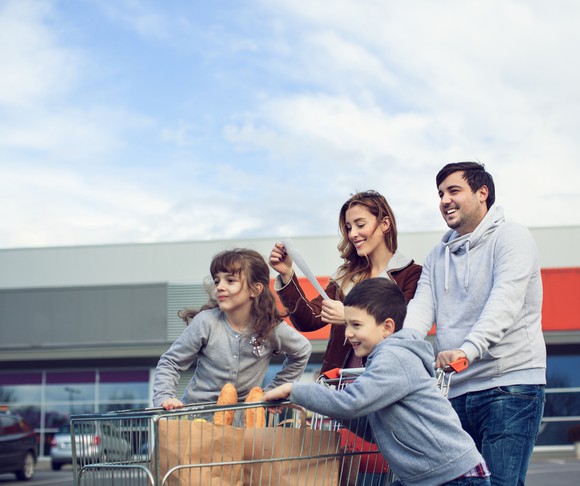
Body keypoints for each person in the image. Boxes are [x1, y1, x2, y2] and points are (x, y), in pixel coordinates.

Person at [263, 278, 491, 486]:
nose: (348, 334)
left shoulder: (394, 358)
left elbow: (351, 403)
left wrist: (293, 389)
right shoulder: (386, 359)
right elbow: (378, 430)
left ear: (387, 327)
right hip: (432, 475)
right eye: (347, 325)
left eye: (357, 325)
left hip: (454, 477)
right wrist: (335, 411)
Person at [403, 162, 546, 485]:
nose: (444, 200)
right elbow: (420, 310)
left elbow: (504, 303)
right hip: (455, 390)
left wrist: (467, 350)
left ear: (483, 193)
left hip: (509, 386)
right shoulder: (437, 256)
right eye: (440, 194)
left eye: (454, 190)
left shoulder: (512, 238)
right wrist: (398, 349)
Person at [269, 190, 422, 373]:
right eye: (349, 227)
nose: (353, 234)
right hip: (339, 382)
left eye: (360, 224)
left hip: (385, 377)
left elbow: (403, 329)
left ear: (385, 224)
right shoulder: (345, 275)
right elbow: (308, 320)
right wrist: (287, 274)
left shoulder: (412, 274)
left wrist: (349, 317)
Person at [152, 248, 312, 410]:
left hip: (242, 425)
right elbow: (170, 362)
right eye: (217, 281)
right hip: (197, 422)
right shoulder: (206, 322)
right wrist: (165, 397)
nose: (219, 287)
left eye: (230, 281)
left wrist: (273, 391)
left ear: (255, 289)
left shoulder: (271, 328)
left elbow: (302, 350)